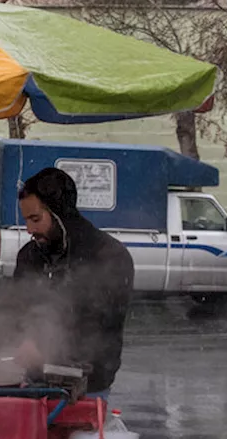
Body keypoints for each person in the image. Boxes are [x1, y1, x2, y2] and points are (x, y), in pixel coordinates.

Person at [10, 167, 135, 398]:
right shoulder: (29, 255)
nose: (30, 230)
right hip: (35, 383)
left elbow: (101, 326)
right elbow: (15, 307)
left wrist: (48, 353)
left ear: (60, 213)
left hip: (87, 389)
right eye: (26, 220)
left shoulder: (109, 256)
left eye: (36, 219)